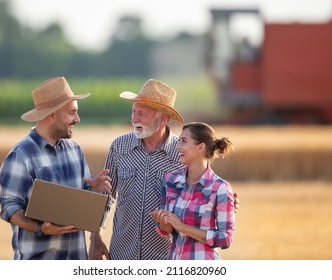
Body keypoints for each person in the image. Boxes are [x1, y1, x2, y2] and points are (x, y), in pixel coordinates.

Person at [89, 79, 239, 260]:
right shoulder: (119, 147)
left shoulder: (183, 152)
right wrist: (95, 237)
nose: (134, 118)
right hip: (122, 254)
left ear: (162, 119)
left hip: (165, 257)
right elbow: (106, 196)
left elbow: (205, 190)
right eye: (134, 111)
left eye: (142, 114)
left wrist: (226, 202)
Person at [0, 76, 112, 260]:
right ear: (52, 115)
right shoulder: (21, 156)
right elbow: (9, 208)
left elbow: (80, 204)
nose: (77, 119)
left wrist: (95, 191)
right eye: (72, 113)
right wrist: (40, 228)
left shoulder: (75, 150)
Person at [150, 122, 235, 260]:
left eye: (183, 141)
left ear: (201, 147)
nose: (178, 146)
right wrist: (163, 221)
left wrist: (184, 228)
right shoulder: (171, 181)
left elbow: (226, 238)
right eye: (179, 141)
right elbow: (167, 230)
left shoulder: (220, 188)